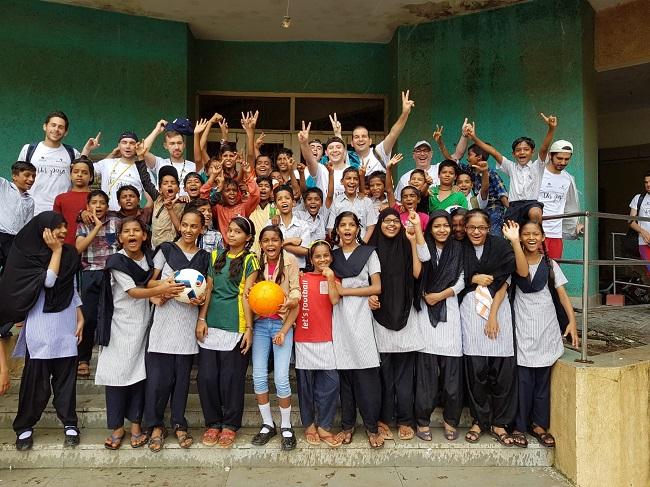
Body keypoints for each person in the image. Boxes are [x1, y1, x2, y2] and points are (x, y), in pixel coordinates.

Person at [95, 217, 184, 450]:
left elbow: (150, 285)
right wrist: (164, 288)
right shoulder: (116, 262)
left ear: (145, 236)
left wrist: (162, 291)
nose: (132, 234)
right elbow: (134, 291)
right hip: (119, 326)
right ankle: (116, 427)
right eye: (127, 231)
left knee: (139, 376)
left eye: (137, 230)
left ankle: (136, 425)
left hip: (144, 325)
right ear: (120, 237)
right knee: (116, 377)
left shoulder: (149, 259)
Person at [0, 212, 83, 450]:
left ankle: (70, 423)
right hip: (40, 329)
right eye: (57, 227)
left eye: (64, 227)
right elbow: (48, 281)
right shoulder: (28, 256)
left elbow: (71, 287)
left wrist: (80, 315)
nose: (62, 232)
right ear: (44, 230)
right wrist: (55, 251)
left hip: (65, 325)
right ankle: (24, 427)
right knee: (35, 384)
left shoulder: (68, 254)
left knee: (66, 381)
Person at [503, 220, 579, 448]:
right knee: (523, 379)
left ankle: (538, 425)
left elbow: (563, 295)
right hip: (524, 326)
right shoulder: (515, 262)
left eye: (536, 233)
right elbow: (504, 289)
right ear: (520, 238)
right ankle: (519, 425)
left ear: (543, 237)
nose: (531, 237)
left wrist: (572, 323)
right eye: (526, 234)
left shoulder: (550, 264)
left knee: (542, 380)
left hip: (546, 327)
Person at [143, 209, 210, 452]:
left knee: (181, 380)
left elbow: (206, 290)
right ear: (179, 226)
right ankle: (156, 424)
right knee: (159, 380)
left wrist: (200, 307)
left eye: (194, 226)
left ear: (202, 229)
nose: (189, 230)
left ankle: (179, 422)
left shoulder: (205, 257)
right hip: (164, 322)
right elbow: (148, 281)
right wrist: (163, 288)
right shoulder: (166, 250)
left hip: (186, 324)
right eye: (185, 225)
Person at [196, 217, 258, 448]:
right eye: (229, 230)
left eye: (237, 232)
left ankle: (230, 425)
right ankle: (212, 423)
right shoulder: (215, 256)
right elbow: (208, 289)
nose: (231, 235)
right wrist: (201, 318)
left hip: (236, 324)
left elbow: (247, 295)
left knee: (231, 379)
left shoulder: (251, 260)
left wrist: (249, 329)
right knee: (207, 378)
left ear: (248, 238)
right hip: (211, 323)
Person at [458, 209, 516, 446]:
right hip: (470, 312)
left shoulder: (501, 247)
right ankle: (479, 421)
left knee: (502, 371)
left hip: (498, 309)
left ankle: (500, 422)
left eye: (481, 227)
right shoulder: (459, 248)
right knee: (476, 371)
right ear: (465, 228)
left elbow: (506, 282)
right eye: (471, 227)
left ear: (488, 227)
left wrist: (493, 315)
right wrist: (474, 279)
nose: (476, 232)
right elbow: (455, 277)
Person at [368, 208, 426, 441]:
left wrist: (412, 242)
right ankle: (383, 419)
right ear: (380, 224)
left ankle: (404, 420)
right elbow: (365, 279)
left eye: (395, 221)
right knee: (383, 374)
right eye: (386, 221)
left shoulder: (405, 243)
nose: (391, 225)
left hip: (406, 314)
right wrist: (369, 297)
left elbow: (417, 272)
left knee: (404, 374)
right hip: (379, 316)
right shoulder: (371, 250)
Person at [330, 212, 383, 449]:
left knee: (367, 374)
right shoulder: (332, 257)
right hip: (339, 318)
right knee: (346, 376)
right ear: (337, 230)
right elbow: (331, 290)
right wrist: (340, 292)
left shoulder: (369, 253)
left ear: (358, 229)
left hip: (362, 315)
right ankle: (348, 426)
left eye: (352, 225)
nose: (348, 229)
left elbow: (377, 286)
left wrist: (347, 292)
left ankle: (371, 427)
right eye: (343, 225)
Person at [414, 211, 465, 442]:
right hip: (427, 316)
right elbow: (423, 257)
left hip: (450, 313)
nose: (442, 230)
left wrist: (440, 295)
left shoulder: (458, 249)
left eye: (445, 226)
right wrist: (416, 228)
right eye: (437, 226)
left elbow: (462, 280)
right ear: (430, 229)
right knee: (427, 376)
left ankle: (450, 420)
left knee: (451, 376)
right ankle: (422, 420)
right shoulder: (425, 248)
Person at [250, 226, 300, 451]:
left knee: (281, 377)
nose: (270, 244)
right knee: (259, 376)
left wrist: (290, 304)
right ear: (261, 244)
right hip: (261, 324)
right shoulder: (255, 262)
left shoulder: (290, 261)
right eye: (266, 241)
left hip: (282, 324)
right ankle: (267, 424)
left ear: (281, 242)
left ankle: (286, 426)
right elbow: (247, 292)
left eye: (275, 240)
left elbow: (297, 294)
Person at [466, 113, 556, 225]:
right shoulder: (511, 167)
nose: (522, 152)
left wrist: (551, 129)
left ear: (532, 152)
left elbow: (544, 149)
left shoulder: (538, 166)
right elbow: (493, 152)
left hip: (531, 204)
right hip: (513, 206)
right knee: (511, 234)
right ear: (513, 154)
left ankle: (536, 237)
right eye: (518, 150)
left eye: (526, 149)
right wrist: (474, 138)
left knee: (536, 213)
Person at [295, 240, 343, 448]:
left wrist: (331, 277)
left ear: (331, 257)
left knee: (331, 384)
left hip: (327, 339)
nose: (322, 260)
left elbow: (334, 300)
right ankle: (309, 425)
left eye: (326, 256)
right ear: (311, 259)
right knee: (306, 387)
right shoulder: (301, 278)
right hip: (304, 338)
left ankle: (324, 425)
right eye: (317, 256)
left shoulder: (335, 278)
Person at [75, 190, 121, 378]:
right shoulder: (82, 224)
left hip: (112, 274)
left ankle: (111, 357)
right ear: (88, 206)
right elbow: (78, 247)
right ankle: (83, 359)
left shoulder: (116, 222)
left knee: (112, 316)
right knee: (89, 317)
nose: (98, 206)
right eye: (94, 202)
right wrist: (95, 227)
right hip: (89, 273)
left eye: (102, 202)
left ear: (107, 206)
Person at [16, 111, 93, 214]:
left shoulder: (72, 153)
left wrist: (87, 150)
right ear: (45, 126)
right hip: (31, 210)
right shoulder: (29, 149)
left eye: (61, 127)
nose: (56, 129)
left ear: (66, 132)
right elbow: (18, 178)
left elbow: (81, 168)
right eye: (53, 125)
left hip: (61, 211)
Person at [330, 90, 415, 174]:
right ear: (351, 143)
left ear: (370, 141)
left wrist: (405, 113)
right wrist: (337, 133)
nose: (360, 139)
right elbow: (339, 147)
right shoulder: (349, 157)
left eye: (364, 136)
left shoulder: (380, 152)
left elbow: (393, 134)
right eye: (356, 137)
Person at [538, 140, 582, 259]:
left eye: (567, 159)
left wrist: (576, 224)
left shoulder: (568, 178)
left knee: (554, 272)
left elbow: (569, 205)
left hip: (556, 234)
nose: (563, 162)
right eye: (559, 158)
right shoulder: (538, 173)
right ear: (550, 155)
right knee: (534, 272)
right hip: (536, 232)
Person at [89, 131, 145, 211]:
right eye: (124, 142)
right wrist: (88, 149)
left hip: (129, 217)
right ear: (119, 145)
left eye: (132, 143)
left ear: (137, 146)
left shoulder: (142, 169)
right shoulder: (107, 163)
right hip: (106, 216)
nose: (128, 146)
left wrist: (145, 213)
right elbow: (83, 168)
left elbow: (150, 198)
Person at [142, 119, 198, 189]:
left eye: (179, 143)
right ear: (165, 146)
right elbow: (141, 151)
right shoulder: (160, 163)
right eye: (172, 143)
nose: (177, 147)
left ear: (184, 144)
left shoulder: (193, 166)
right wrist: (157, 131)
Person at [0, 161, 36, 272]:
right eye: (27, 175)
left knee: (9, 271)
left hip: (15, 241)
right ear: (14, 176)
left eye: (33, 176)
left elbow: (27, 226)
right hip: (1, 235)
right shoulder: (4, 186)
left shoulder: (30, 201)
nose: (31, 179)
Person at [326, 167, 378, 242]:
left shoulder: (367, 201)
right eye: (348, 178)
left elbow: (370, 227)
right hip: (340, 247)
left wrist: (362, 246)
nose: (352, 181)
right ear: (342, 181)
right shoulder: (336, 202)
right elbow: (331, 229)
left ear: (359, 182)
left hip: (362, 247)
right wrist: (342, 246)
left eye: (356, 179)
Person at [53, 157, 94, 246]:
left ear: (91, 177)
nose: (79, 175)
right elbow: (56, 225)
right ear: (70, 175)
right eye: (76, 172)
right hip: (65, 246)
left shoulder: (96, 199)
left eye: (85, 172)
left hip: (91, 248)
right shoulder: (60, 198)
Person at [385, 154, 429, 231]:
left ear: (418, 199)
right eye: (405, 196)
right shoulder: (397, 211)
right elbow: (389, 191)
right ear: (401, 200)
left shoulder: (424, 217)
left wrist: (427, 184)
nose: (408, 199)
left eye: (412, 196)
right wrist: (388, 169)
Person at [269, 185, 309, 268]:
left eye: (287, 198)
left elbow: (305, 250)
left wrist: (281, 243)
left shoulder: (302, 225)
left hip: (298, 269)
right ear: (276, 205)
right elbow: (268, 246)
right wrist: (291, 241)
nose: (283, 201)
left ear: (293, 203)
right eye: (279, 199)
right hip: (276, 268)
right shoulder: (270, 224)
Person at [629, 171, 650, 276]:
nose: (648, 185)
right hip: (644, 243)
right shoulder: (638, 198)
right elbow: (631, 221)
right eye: (646, 182)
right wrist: (643, 232)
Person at [249, 176, 274, 254]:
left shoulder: (275, 208)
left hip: (269, 250)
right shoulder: (249, 206)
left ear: (271, 191)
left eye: (267, 186)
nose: (263, 188)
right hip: (251, 250)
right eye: (260, 186)